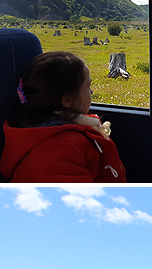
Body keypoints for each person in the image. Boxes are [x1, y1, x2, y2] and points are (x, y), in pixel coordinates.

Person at [1, 51, 126, 182]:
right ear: (67, 99)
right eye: (88, 86)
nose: (92, 91)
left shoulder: (58, 132)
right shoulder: (56, 150)